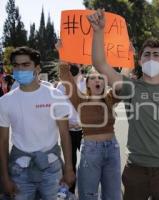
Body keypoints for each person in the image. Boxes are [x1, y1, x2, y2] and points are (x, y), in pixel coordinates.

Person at [87, 9, 159, 200]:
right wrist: (98, 32)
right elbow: (100, 64)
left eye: (156, 55)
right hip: (135, 171)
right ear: (140, 61)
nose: (151, 58)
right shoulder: (129, 87)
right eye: (147, 55)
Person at [0, 46, 75, 199]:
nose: (20, 69)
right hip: (19, 168)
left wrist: (68, 168)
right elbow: (2, 141)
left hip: (52, 168)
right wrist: (5, 177)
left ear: (37, 68)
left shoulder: (55, 96)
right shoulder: (5, 101)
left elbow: (65, 134)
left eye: (26, 65)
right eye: (16, 65)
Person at [59, 63, 121, 200]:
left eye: (100, 77)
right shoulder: (80, 100)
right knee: (88, 195)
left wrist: (128, 63)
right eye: (93, 78)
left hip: (112, 150)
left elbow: (122, 82)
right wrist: (62, 53)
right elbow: (65, 76)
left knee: (114, 196)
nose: (97, 80)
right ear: (87, 84)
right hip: (91, 151)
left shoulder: (111, 98)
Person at [56, 63, 86, 194]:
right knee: (70, 163)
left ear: (81, 65)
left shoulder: (88, 82)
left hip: (85, 131)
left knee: (89, 164)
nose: (73, 66)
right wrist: (65, 124)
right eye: (70, 63)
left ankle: (88, 191)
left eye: (76, 63)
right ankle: (70, 192)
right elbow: (57, 108)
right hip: (68, 132)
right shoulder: (61, 86)